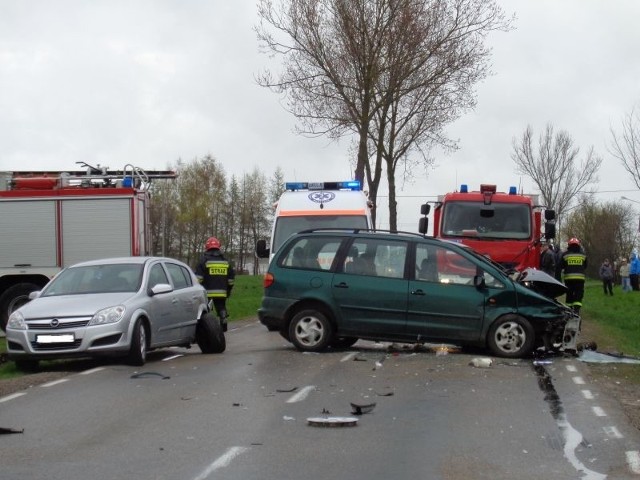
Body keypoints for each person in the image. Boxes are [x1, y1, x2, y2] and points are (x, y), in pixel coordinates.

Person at [195, 236, 235, 331]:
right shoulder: (225, 261)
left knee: (205, 309)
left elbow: (198, 279)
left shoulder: (203, 260)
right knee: (221, 307)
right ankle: (223, 319)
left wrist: (198, 288)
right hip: (222, 292)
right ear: (219, 247)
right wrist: (228, 290)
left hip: (206, 292)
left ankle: (206, 327)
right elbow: (231, 279)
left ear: (207, 247)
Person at [560, 237, 587, 313]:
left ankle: (569, 309)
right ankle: (577, 309)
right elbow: (585, 266)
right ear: (578, 245)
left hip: (569, 279)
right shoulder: (583, 255)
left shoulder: (565, 255)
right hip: (580, 279)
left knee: (569, 293)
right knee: (579, 293)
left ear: (569, 245)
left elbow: (561, 265)